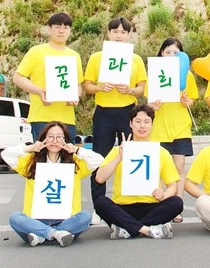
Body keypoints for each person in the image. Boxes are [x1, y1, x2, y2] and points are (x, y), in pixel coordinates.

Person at [2, 122, 104, 246]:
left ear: (65, 140)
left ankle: (40, 235)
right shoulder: (31, 161)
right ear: (44, 138)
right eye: (50, 136)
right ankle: (56, 234)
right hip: (37, 219)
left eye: (59, 137)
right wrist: (30, 148)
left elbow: (99, 160)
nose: (55, 140)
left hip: (66, 219)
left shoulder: (74, 163)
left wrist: (76, 149)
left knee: (86, 216)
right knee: (15, 218)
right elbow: (6, 155)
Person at [94, 104, 183, 239]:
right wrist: (120, 157)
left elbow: (173, 186)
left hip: (151, 206)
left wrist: (163, 195)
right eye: (138, 122)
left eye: (147, 122)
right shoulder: (119, 150)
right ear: (130, 124)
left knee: (177, 202)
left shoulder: (161, 152)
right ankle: (148, 230)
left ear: (152, 125)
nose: (142, 126)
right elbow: (99, 178)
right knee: (101, 203)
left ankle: (127, 228)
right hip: (123, 207)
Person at [84, 17, 147, 204]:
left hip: (128, 113)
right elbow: (87, 86)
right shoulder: (97, 57)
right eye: (115, 31)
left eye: (123, 32)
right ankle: (99, 205)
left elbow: (141, 88)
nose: (119, 35)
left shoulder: (135, 59)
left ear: (128, 35)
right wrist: (99, 88)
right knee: (99, 159)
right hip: (103, 113)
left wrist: (130, 90)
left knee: (132, 157)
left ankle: (132, 202)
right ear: (108, 33)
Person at [148, 37, 197, 223]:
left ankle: (176, 206)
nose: (171, 55)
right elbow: (148, 102)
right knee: (160, 168)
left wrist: (187, 101)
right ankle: (161, 205)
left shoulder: (188, 75)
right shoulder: (154, 73)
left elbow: (192, 99)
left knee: (179, 167)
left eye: (175, 53)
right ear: (161, 53)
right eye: (167, 52)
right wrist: (154, 106)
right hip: (159, 127)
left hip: (181, 127)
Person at [13, 12, 83, 140]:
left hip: (67, 119)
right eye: (57, 27)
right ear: (49, 29)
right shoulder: (36, 51)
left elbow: (78, 85)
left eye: (66, 27)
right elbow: (18, 78)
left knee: (67, 157)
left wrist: (75, 96)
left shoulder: (74, 56)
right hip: (41, 117)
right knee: (42, 157)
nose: (61, 31)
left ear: (70, 31)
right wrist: (39, 91)